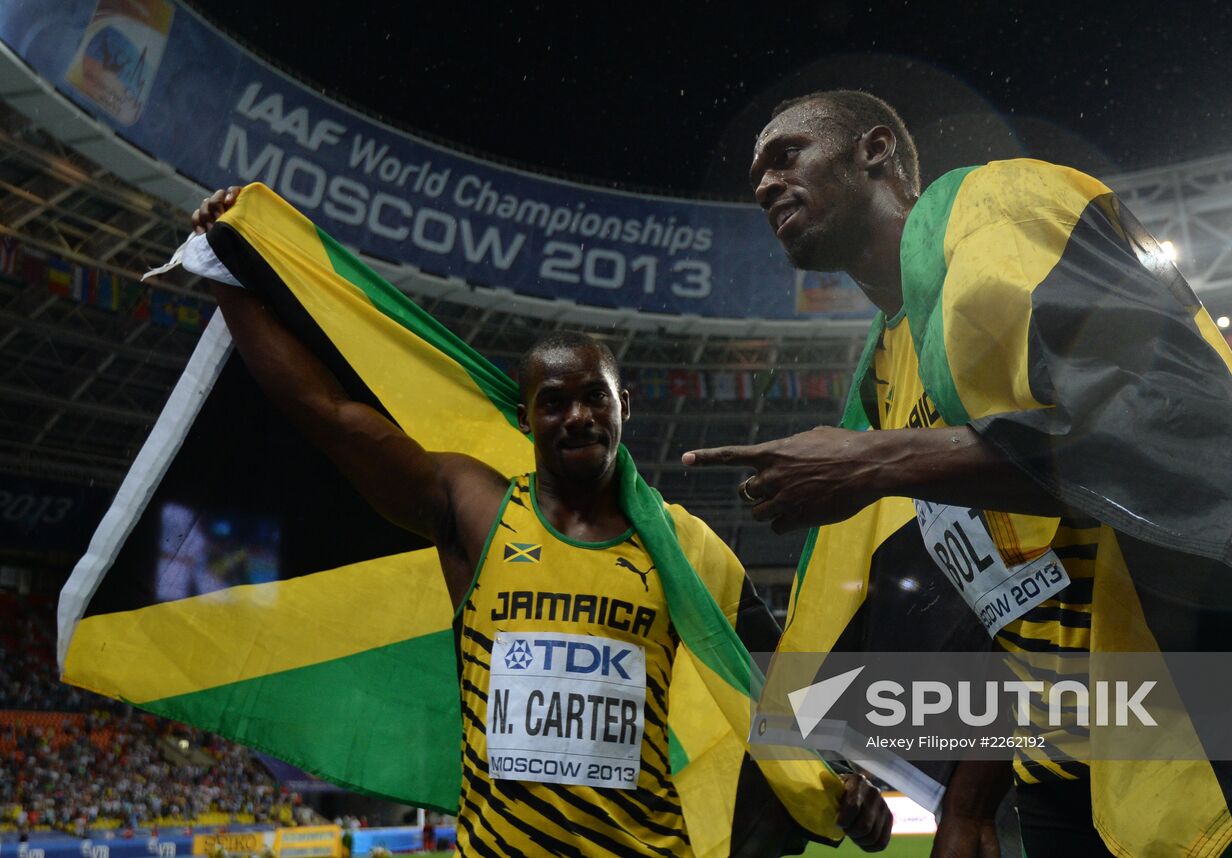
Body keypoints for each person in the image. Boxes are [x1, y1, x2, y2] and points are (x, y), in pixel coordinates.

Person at [683, 90, 1232, 857]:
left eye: (786, 155)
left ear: (874, 150)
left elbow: (1162, 436)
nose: (764, 184)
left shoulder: (1005, 214)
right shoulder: (887, 373)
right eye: (756, 174)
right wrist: (970, 804)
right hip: (1063, 772)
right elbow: (1011, 599)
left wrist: (874, 463)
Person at [189, 187, 892, 858]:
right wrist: (228, 271)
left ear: (624, 407)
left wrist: (840, 774)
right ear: (526, 418)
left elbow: (774, 678)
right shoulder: (476, 511)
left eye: (595, 397)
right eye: (554, 402)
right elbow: (328, 416)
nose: (578, 415)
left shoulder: (684, 546)